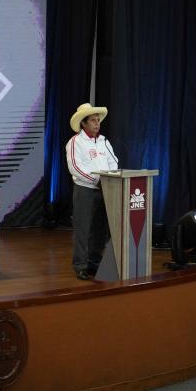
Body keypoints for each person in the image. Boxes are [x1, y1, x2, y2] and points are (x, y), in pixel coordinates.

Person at [65, 102, 119, 281]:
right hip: (85, 190)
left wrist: (109, 179)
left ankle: (94, 262)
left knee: (100, 229)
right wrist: (97, 180)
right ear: (83, 123)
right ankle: (80, 265)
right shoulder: (75, 142)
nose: (97, 123)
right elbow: (75, 168)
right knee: (83, 229)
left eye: (98, 120)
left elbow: (114, 163)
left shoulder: (104, 141)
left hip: (105, 190)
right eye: (93, 121)